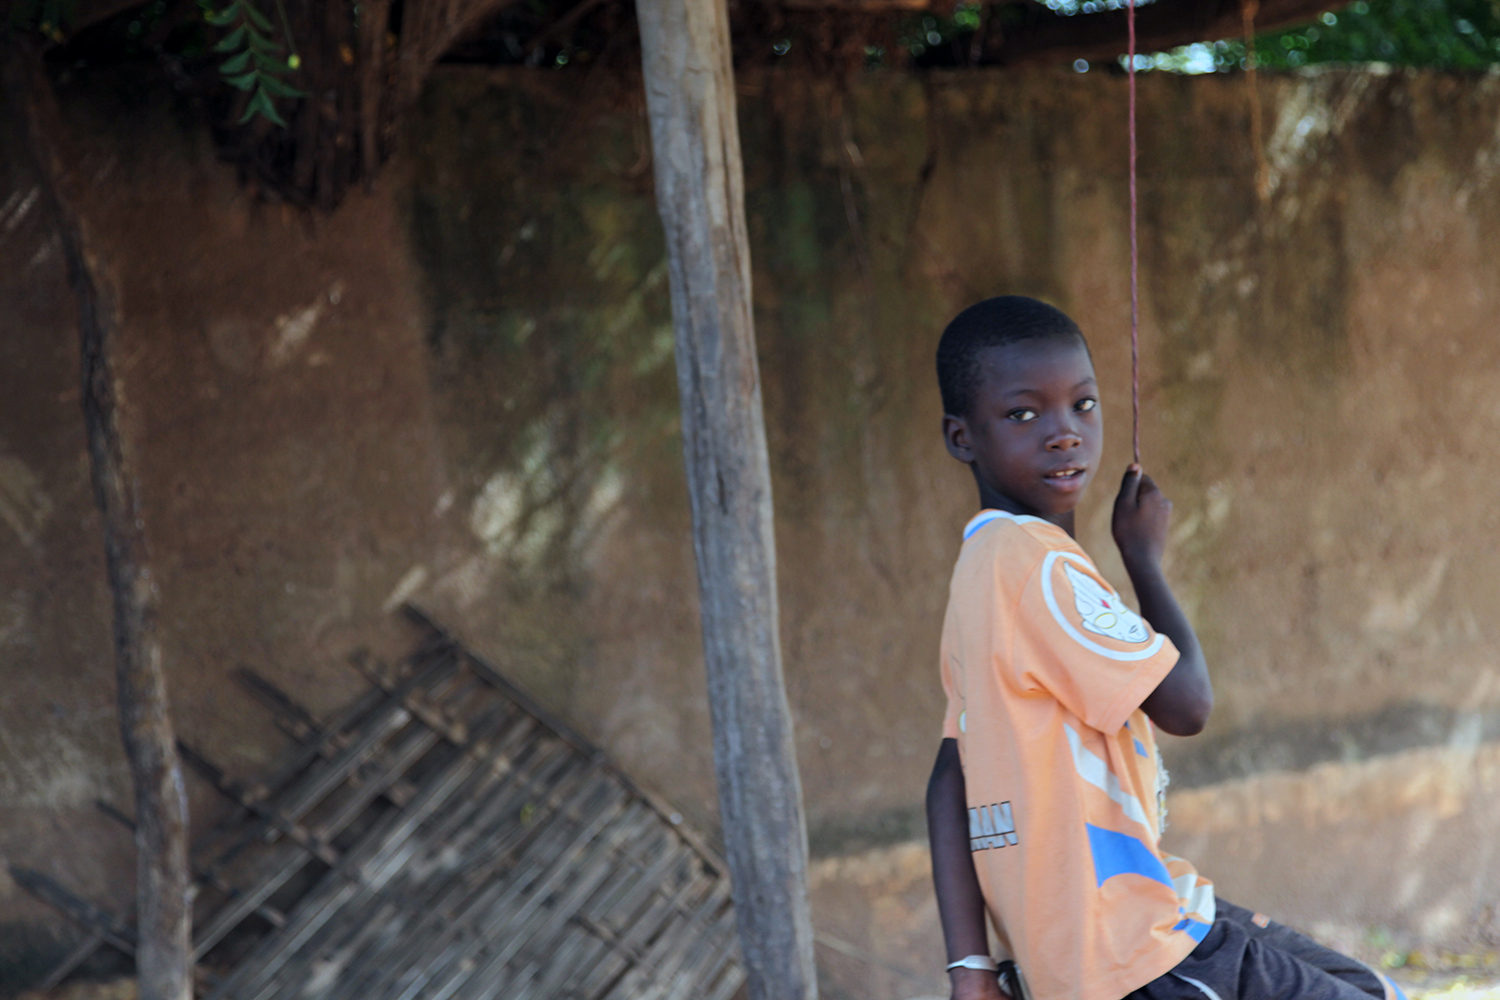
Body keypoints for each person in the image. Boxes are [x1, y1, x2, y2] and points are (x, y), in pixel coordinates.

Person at [925, 296, 1407, 1000]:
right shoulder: (1033, 562)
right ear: (962, 437)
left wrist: (970, 969)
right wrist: (1145, 559)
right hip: (1130, 949)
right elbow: (1186, 704)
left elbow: (949, 776)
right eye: (1024, 414)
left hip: (1141, 926)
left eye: (1083, 406)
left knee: (1368, 988)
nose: (1064, 434)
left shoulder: (980, 572)